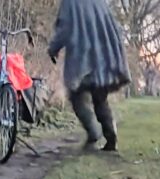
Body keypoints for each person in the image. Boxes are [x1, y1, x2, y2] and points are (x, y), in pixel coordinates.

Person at [47, 0, 132, 151]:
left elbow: (65, 28)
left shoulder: (70, 2)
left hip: (83, 58)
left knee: (76, 96)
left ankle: (94, 131)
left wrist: (53, 48)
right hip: (103, 57)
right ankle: (111, 138)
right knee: (100, 99)